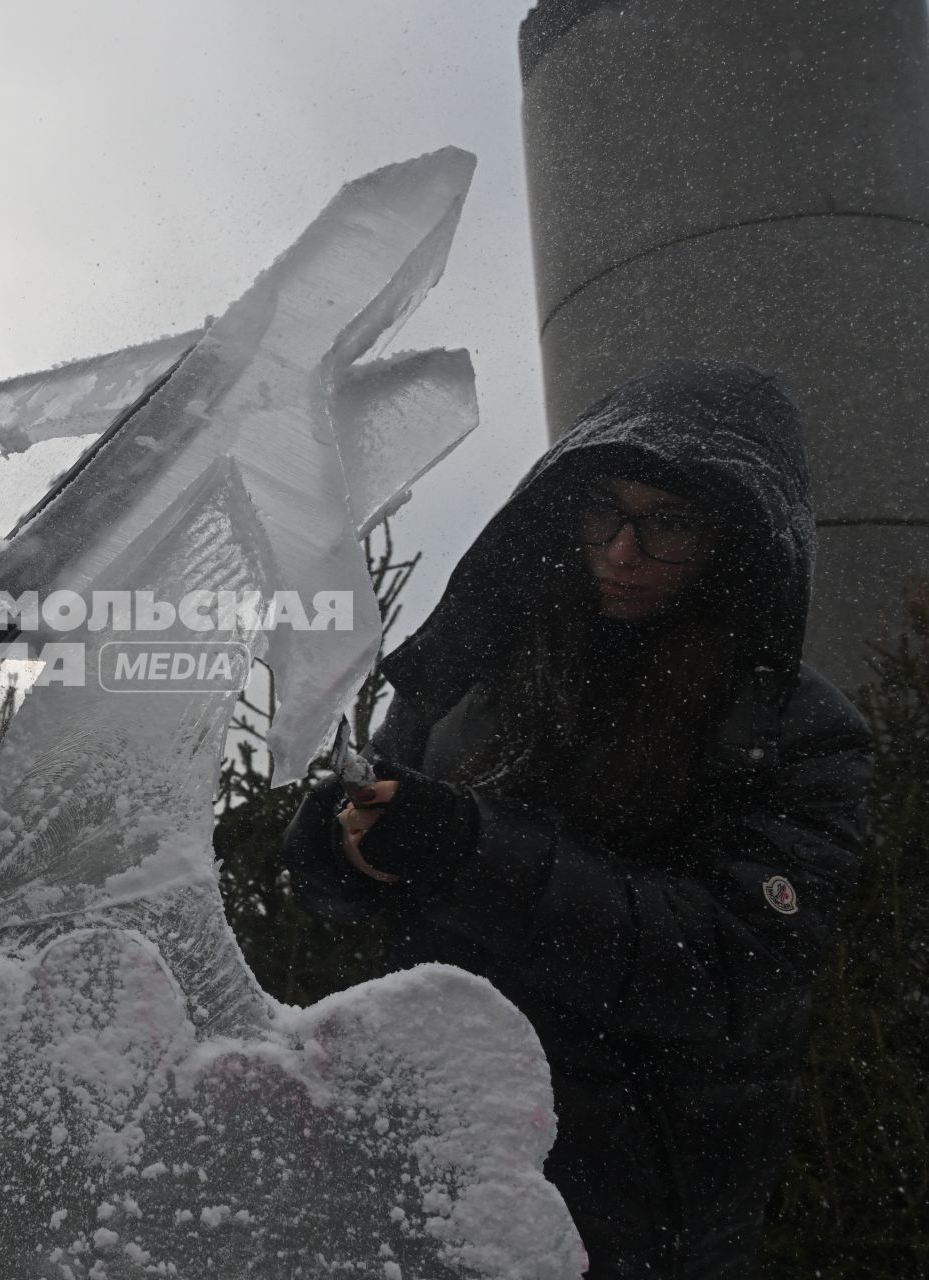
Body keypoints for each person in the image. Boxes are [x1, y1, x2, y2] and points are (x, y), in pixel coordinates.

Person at [281, 360, 874, 1278]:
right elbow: (363, 895)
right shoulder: (474, 680)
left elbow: (722, 966)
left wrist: (470, 851)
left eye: (669, 521)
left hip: (639, 1211)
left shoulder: (796, 733)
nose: (624, 551)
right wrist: (337, 846)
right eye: (607, 511)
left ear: (739, 539)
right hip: (430, 1162)